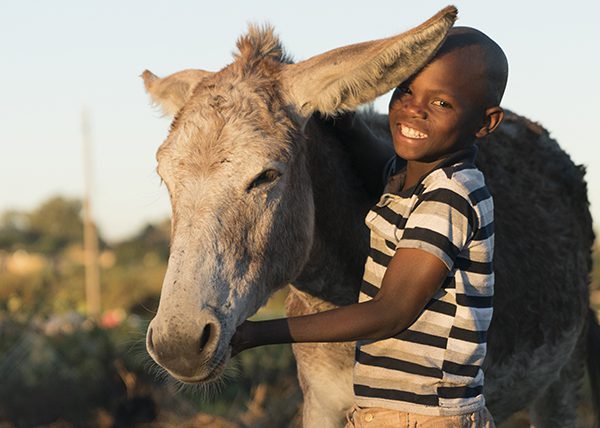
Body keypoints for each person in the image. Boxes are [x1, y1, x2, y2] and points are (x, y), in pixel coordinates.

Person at [230, 26, 508, 427]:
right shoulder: (411, 176)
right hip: (391, 412)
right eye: (405, 91)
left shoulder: (449, 196)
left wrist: (258, 334)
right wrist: (329, 103)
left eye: (442, 102)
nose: (414, 109)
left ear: (486, 123)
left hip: (426, 417)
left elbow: (391, 311)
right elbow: (368, 154)